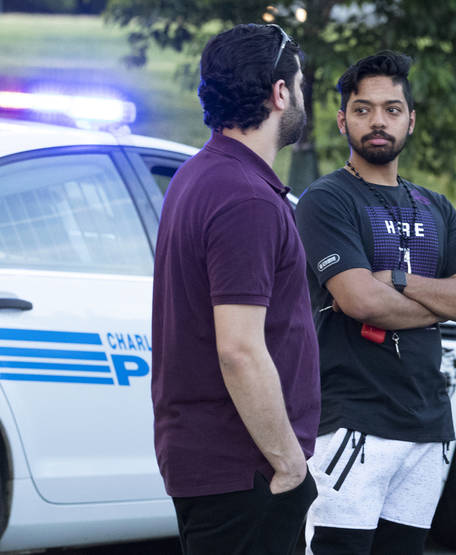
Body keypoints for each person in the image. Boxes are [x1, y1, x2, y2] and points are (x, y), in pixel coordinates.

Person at [295, 51, 456, 554]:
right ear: (342, 120)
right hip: (352, 422)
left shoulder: (435, 205)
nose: (377, 121)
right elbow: (361, 299)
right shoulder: (327, 199)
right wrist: (443, 300)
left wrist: (399, 280)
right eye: (362, 110)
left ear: (410, 119)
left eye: (391, 109)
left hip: (428, 425)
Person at [151, 23, 318, 555]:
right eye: (299, 82)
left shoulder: (199, 174)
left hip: (220, 466)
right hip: (247, 470)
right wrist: (290, 462)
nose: (301, 93)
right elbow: (240, 349)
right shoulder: (246, 198)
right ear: (278, 93)